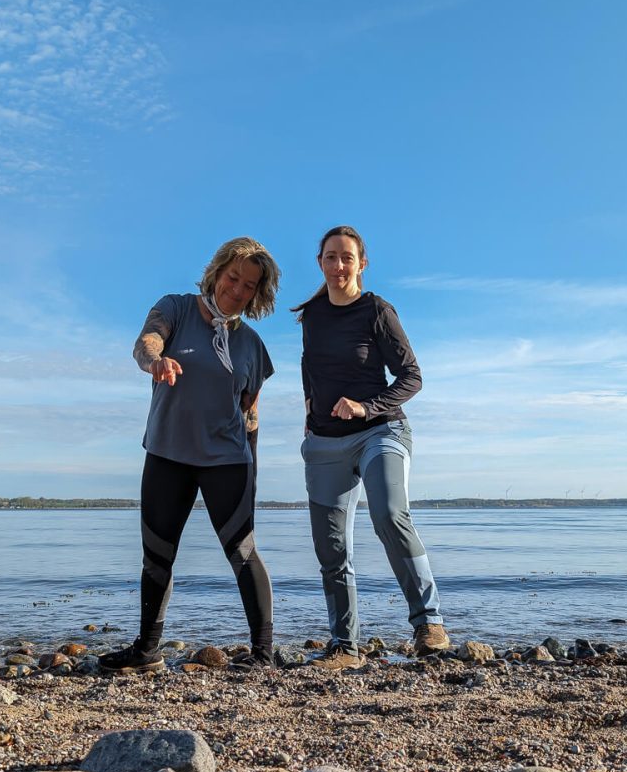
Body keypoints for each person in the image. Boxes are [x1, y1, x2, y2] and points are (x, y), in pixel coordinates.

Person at [100, 237, 280, 674]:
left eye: (248, 286)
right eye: (232, 278)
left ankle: (264, 654)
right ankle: (146, 651)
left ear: (258, 293)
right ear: (217, 272)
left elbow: (250, 413)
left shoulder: (252, 345)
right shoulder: (176, 308)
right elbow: (147, 342)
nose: (237, 290)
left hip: (228, 462)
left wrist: (252, 470)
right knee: (157, 555)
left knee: (243, 551)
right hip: (168, 455)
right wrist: (155, 362)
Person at [294, 225, 450, 670]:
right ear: (320, 262)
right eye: (330, 257)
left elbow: (411, 376)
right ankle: (344, 646)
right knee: (331, 547)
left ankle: (428, 622)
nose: (338, 265)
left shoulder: (377, 311)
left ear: (362, 263)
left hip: (381, 431)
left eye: (347, 257)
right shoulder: (312, 314)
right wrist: (310, 418)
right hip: (325, 442)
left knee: (388, 514)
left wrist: (366, 407)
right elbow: (311, 370)